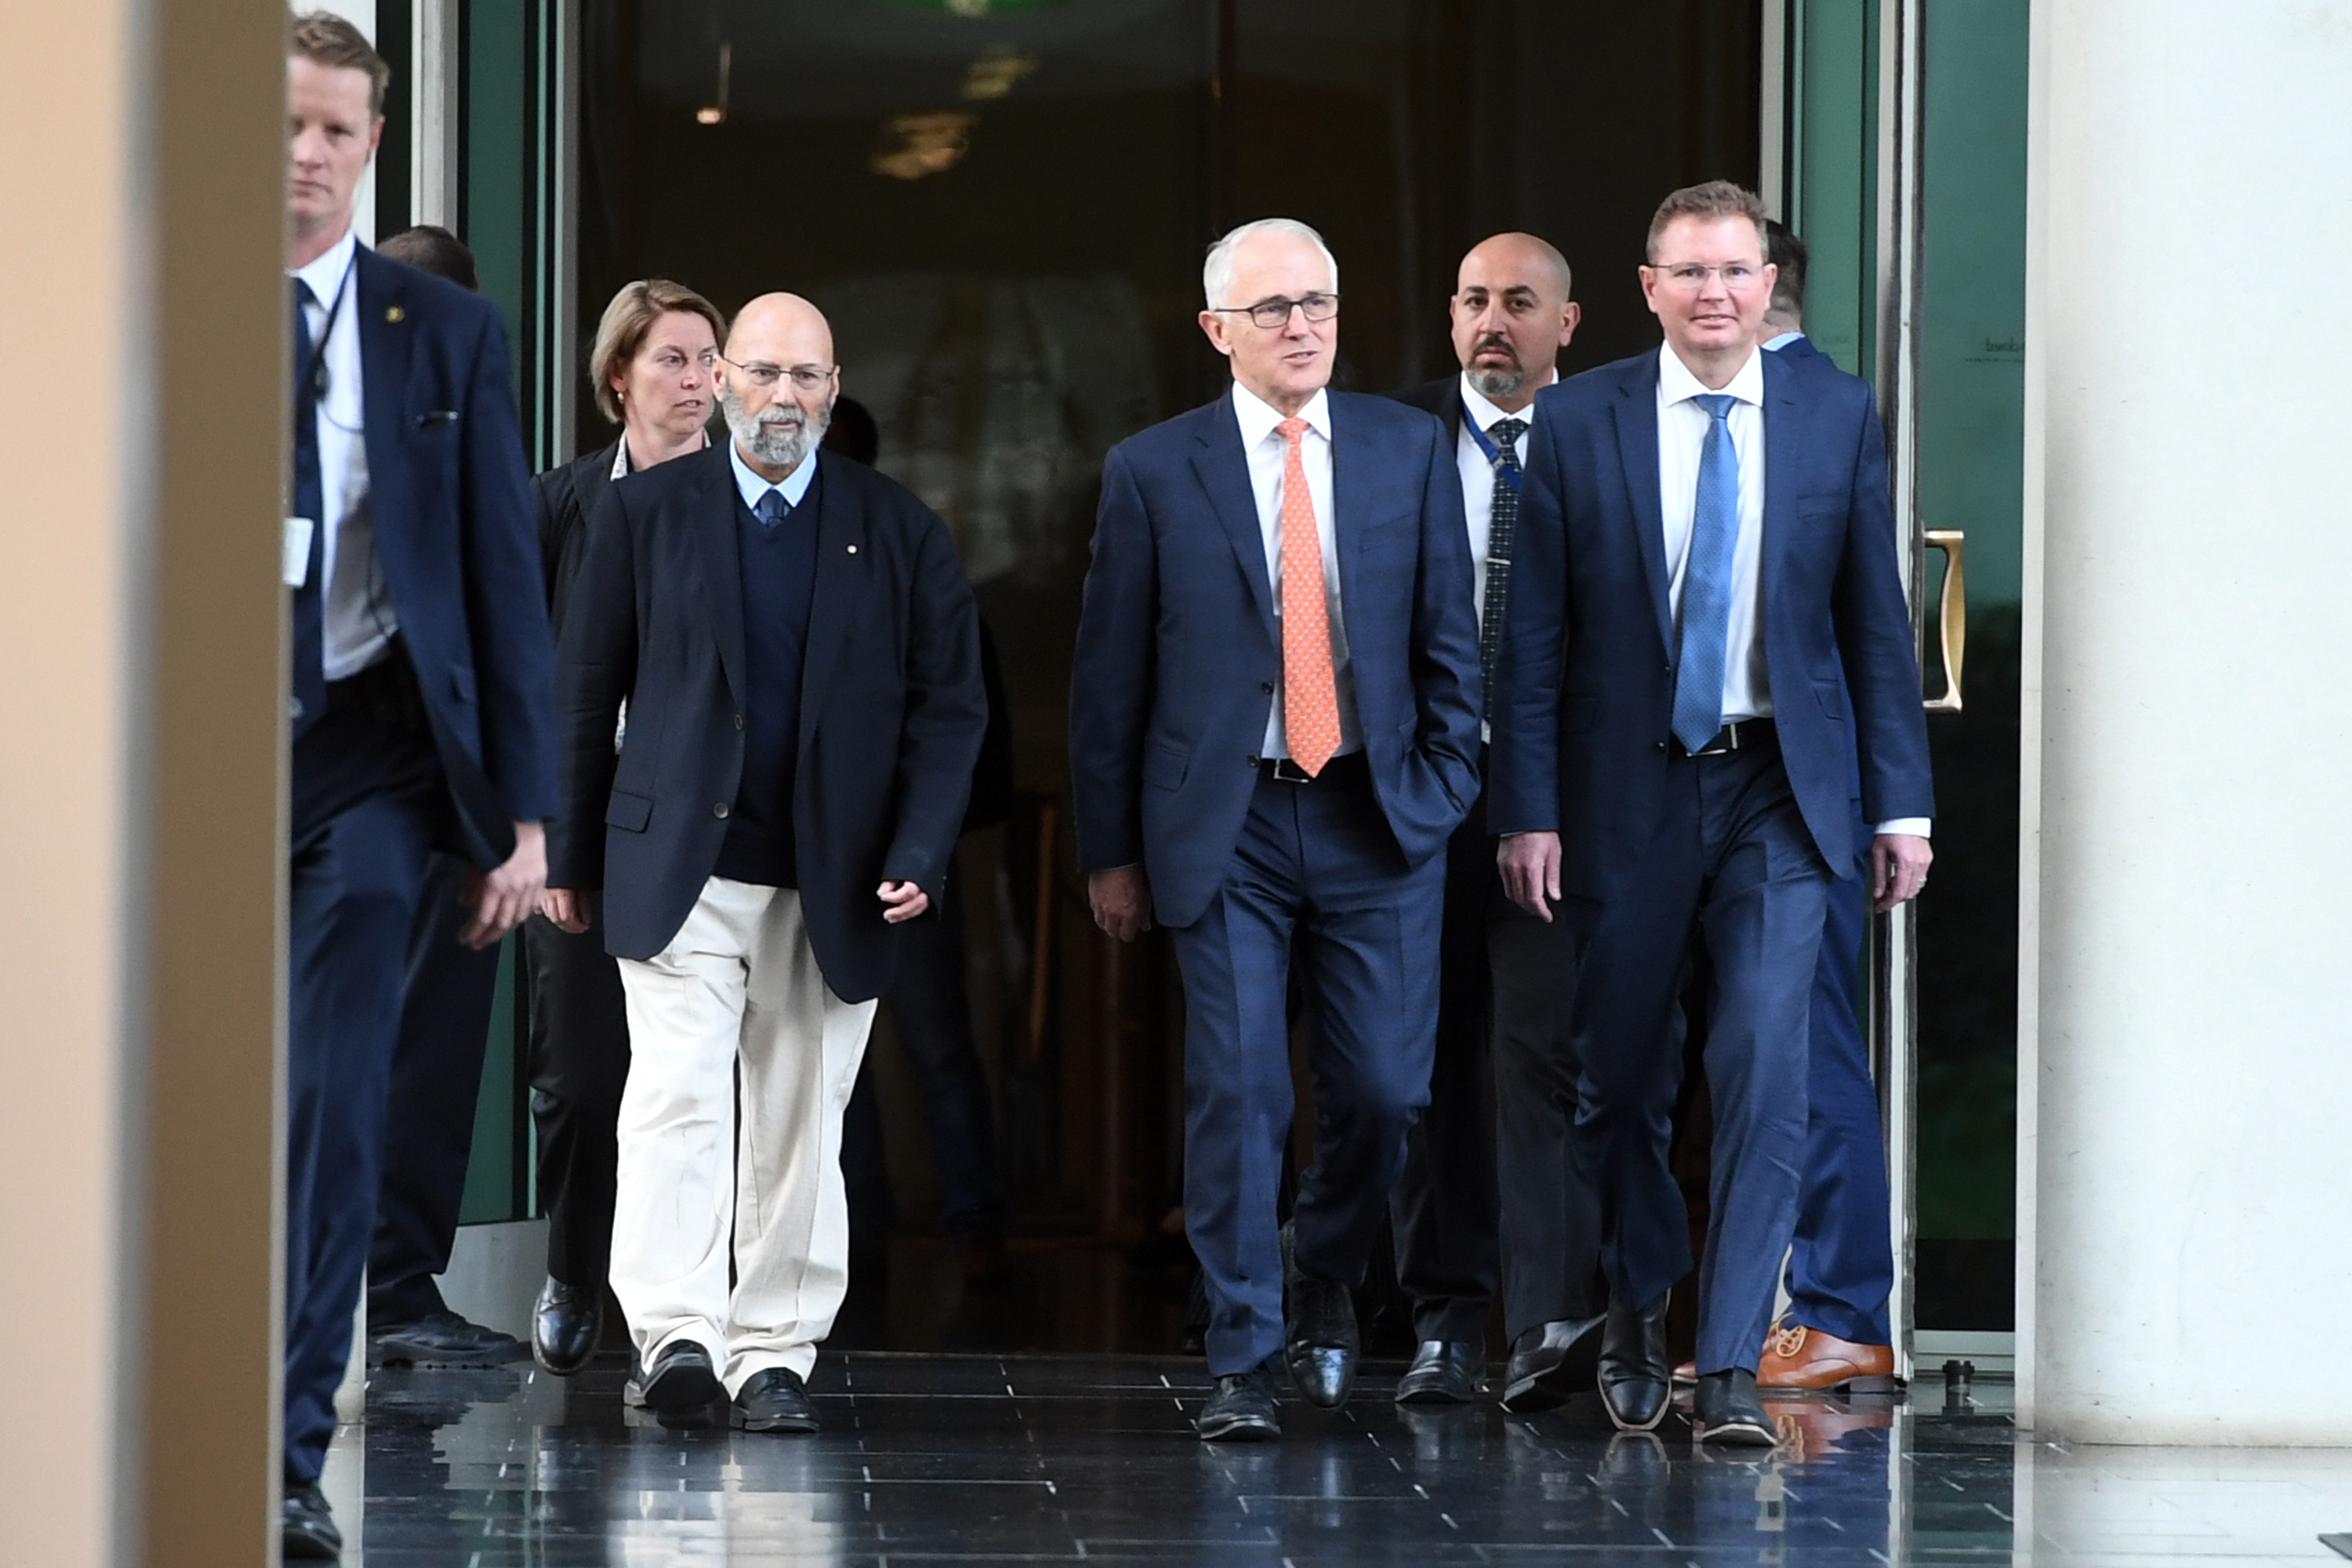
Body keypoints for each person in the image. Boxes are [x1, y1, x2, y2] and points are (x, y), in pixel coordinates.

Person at [1490, 180, 1933, 1448]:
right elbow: (1531, 641)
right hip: (1625, 790)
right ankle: (1636, 1305)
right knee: (1621, 1083)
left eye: (1735, 273)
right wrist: (1528, 811)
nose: (1715, 295)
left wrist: (1900, 805)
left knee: (1763, 1065)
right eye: (1690, 274)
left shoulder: (1834, 412)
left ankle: (1730, 1360)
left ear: (1765, 285)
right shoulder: (1575, 423)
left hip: (1782, 793)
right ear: (1648, 290)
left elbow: (1870, 624)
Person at [542, 292, 986, 1436]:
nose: (783, 397)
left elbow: (952, 713)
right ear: (725, 382)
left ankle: (774, 1351)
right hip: (679, 863)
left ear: (834, 395)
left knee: (798, 1119)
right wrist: (569, 847)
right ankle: (678, 1335)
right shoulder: (647, 515)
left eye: (807, 379)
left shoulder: (899, 530)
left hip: (834, 877)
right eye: (764, 374)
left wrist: (921, 849)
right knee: (676, 1101)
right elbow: (587, 693)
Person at [1070, 218, 1482, 1441]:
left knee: (1385, 1093)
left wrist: (1446, 783)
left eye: (1319, 303)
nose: (1302, 326)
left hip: (1377, 811)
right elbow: (1110, 680)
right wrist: (1110, 852)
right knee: (1242, 1091)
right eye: (1273, 310)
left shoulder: (1411, 450)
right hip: (1226, 822)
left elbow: (1449, 639)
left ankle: (1321, 1273)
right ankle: (1245, 1353)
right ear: (1217, 332)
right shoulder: (1153, 469)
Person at [279, 16, 554, 1559]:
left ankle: (289, 1433)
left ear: (373, 144)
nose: (304, 156)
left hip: (374, 752)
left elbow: (502, 581)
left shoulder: (436, 332)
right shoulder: (160, 290)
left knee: (331, 1092)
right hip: (187, 743)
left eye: (332, 129)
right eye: (281, 126)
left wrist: (521, 815)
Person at [1382, 233, 1589, 1408]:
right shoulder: (1391, 436)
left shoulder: (1609, 435)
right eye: (1472, 300)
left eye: (1519, 301)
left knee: (1545, 1055)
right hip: (1420, 795)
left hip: (1553, 801)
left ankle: (1551, 1317)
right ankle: (1444, 1323)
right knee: (1423, 1060)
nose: (1492, 321)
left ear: (1571, 320)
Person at [524, 278, 728, 1375]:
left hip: (704, 826)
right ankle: (571, 1267)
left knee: (697, 1078)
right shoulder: (563, 503)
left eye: (709, 360)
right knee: (586, 1074)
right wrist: (551, 834)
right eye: (673, 361)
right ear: (618, 380)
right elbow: (532, 676)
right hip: (587, 825)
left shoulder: (744, 503)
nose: (697, 382)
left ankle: (688, 1311)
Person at [360, 221, 528, 1372]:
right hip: (416, 798)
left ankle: (392, 1287)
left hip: (417, 801)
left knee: (407, 1047)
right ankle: (394, 1292)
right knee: (411, 1051)